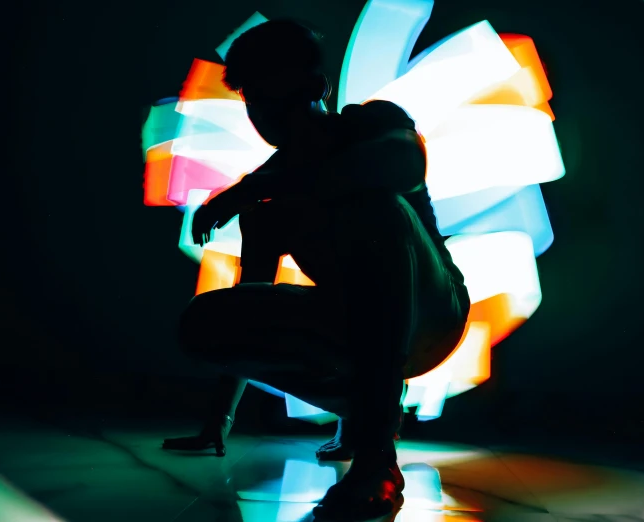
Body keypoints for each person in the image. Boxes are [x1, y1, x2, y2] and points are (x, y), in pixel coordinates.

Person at [173, 19, 470, 519]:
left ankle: (377, 454)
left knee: (378, 206)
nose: (268, 116)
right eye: (254, 99)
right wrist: (218, 419)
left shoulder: (371, 123)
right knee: (204, 323)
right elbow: (256, 289)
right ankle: (362, 414)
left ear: (317, 88)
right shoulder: (269, 192)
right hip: (350, 322)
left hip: (433, 314)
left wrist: (259, 187)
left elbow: (404, 163)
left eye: (281, 98)